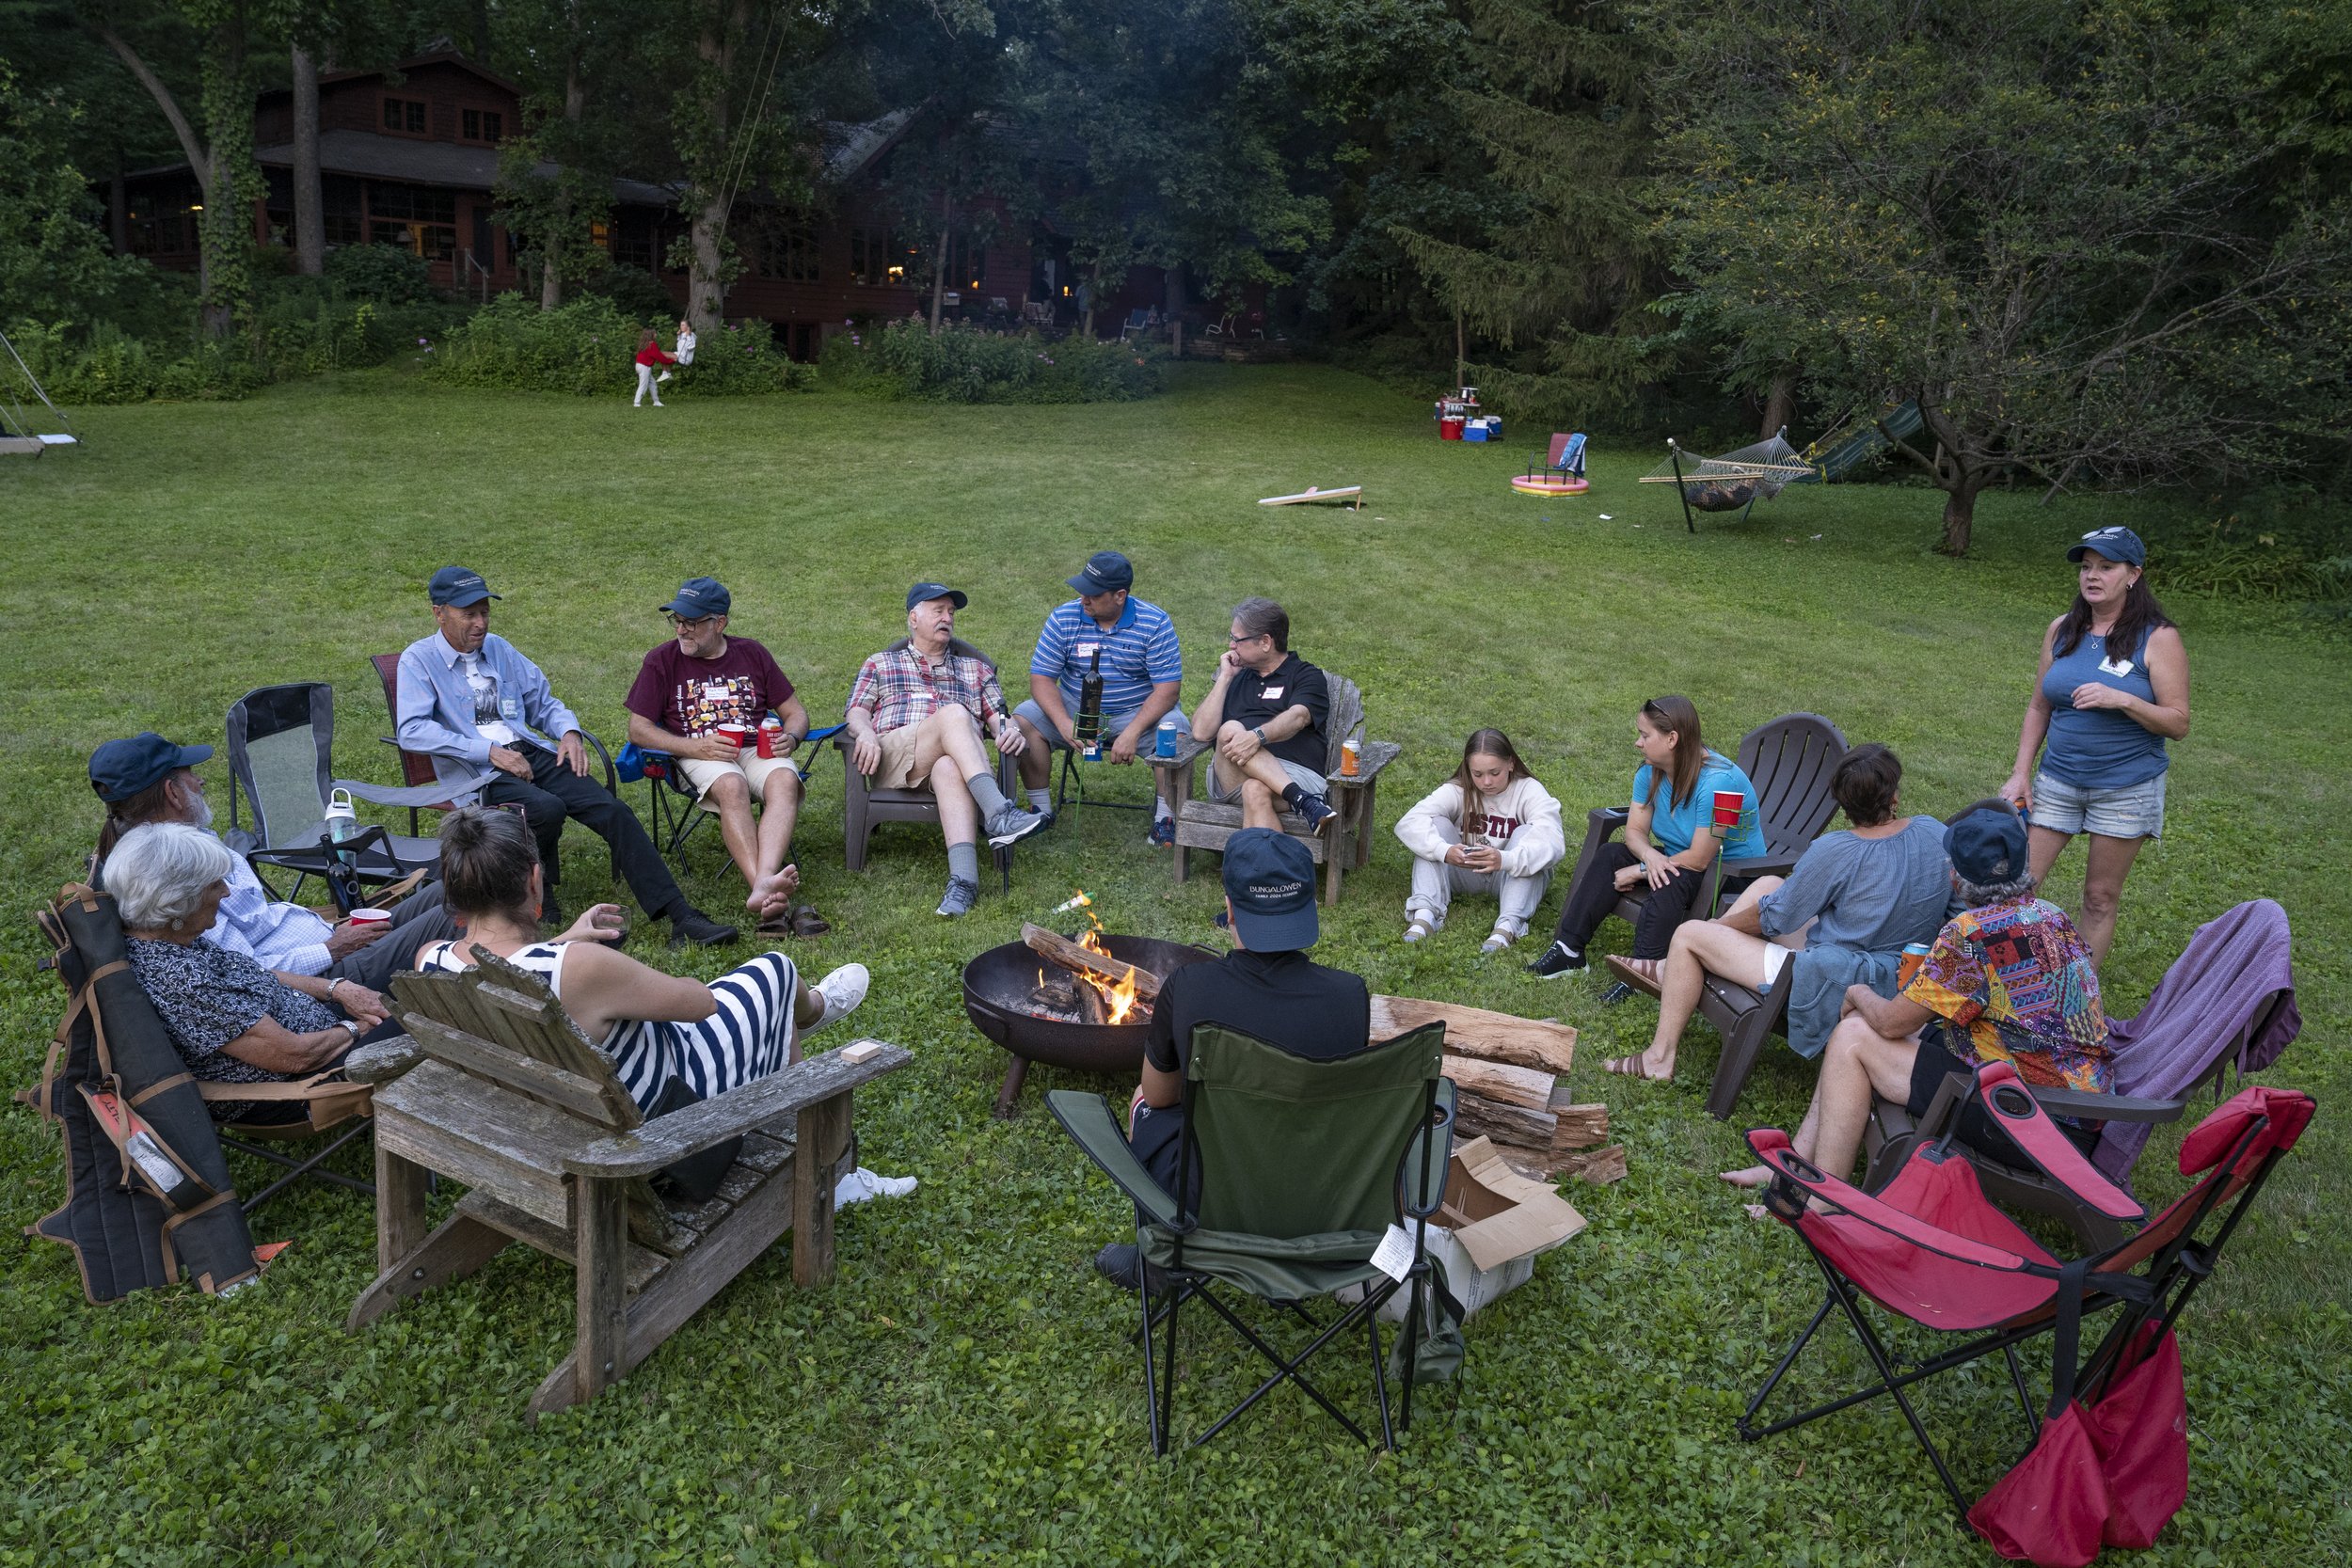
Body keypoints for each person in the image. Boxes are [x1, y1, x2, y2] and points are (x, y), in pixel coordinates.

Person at [1719, 802, 2112, 1194]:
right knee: (1856, 1028)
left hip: (2031, 1117)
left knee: (1853, 1039)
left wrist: (1856, 991)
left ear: (1956, 877)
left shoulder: (1970, 934)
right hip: (2066, 1102)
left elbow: (1893, 1023)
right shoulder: (2051, 914)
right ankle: (1799, 1168)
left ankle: (1821, 1197)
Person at [409, 807, 866, 1115]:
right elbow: (699, 1004)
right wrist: (591, 958)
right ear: (534, 879)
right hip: (658, 1113)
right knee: (775, 972)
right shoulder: (582, 969)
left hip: (541, 1116)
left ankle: (797, 1015)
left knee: (761, 990)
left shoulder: (430, 961)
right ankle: (823, 1156)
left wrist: (569, 939)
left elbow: (505, 966)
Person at [397, 565, 737, 945]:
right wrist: (490, 751)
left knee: (614, 811)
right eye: (469, 614)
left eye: (485, 612)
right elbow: (411, 730)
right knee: (545, 808)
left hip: (528, 751)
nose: (480, 623)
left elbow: (543, 701)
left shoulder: (499, 649)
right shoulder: (418, 660)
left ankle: (680, 916)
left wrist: (569, 732)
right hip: (477, 770)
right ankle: (541, 895)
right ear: (439, 612)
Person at [1093, 829, 1372, 1290]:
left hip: (1211, 1198)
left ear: (1229, 908)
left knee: (1144, 1100)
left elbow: (1160, 1097)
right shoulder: (1350, 995)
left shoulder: (1188, 988)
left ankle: (1164, 1263)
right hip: (1321, 1199)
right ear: (1307, 907)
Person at [1602, 743, 1951, 1081]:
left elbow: (1775, 918)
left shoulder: (1837, 849)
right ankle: (1671, 967)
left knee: (1691, 934)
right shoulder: (1935, 832)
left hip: (1834, 977)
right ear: (1894, 795)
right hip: (1905, 973)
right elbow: (1956, 908)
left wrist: (1717, 928)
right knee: (1769, 883)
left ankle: (1658, 1057)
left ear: (1843, 803)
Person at [88, 731, 461, 1000]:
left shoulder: (175, 848)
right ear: (172, 792)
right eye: (190, 773)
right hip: (327, 979)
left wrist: (335, 934)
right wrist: (333, 949)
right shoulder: (172, 876)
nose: (200, 780)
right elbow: (243, 972)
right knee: (459, 910)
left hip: (335, 941)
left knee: (455, 889)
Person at [106, 823, 389, 1124]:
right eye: (215, 884)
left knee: (411, 980)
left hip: (320, 1032)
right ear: (177, 902)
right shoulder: (182, 980)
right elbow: (295, 1055)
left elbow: (254, 972)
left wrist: (336, 989)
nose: (226, 892)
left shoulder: (169, 936)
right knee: (418, 1009)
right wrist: (360, 1027)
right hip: (297, 1083)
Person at [1999, 525, 2189, 969]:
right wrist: (2021, 771)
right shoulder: (2063, 629)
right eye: (2086, 567)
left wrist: (2123, 698)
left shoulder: (2159, 638)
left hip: (2125, 788)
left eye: (2106, 566)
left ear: (2133, 575)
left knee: (2100, 897)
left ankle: (2077, 995)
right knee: (2017, 886)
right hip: (2058, 779)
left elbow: (2178, 723)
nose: (2092, 576)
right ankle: (2004, 980)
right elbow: (2039, 705)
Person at [623, 576, 823, 937]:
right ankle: (761, 884)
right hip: (698, 751)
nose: (681, 630)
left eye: (692, 623)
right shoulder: (661, 661)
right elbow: (638, 729)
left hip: (754, 746)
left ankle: (764, 882)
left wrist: (791, 738)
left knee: (784, 780)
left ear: (720, 623)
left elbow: (796, 712)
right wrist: (693, 747)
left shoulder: (752, 653)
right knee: (732, 785)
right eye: (677, 621)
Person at [844, 582, 1046, 917]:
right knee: (955, 713)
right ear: (913, 618)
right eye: (938, 611)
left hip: (951, 764)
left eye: (950, 612)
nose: (947, 618)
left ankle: (963, 882)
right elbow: (856, 711)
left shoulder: (976, 670)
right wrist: (864, 733)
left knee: (950, 765)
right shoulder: (881, 663)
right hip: (895, 755)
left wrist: (1011, 733)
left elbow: (1001, 720)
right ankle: (998, 813)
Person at [1527, 695, 1765, 979]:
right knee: (1611, 855)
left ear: (1672, 739)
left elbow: (1700, 859)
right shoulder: (1650, 772)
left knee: (1667, 876)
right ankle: (1569, 951)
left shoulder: (1723, 785)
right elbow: (1635, 831)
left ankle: (1645, 973)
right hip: (1678, 858)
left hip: (1731, 874)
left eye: (1644, 735)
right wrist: (1650, 857)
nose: (1637, 743)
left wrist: (1641, 870)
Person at [1010, 550, 1184, 842]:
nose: (1083, 599)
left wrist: (1133, 731)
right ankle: (1040, 812)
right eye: (1082, 591)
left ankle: (1166, 818)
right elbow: (1041, 679)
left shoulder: (1154, 622)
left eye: (1093, 594)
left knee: (1175, 732)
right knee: (1024, 721)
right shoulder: (1064, 617)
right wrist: (1065, 724)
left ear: (1120, 596)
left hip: (1136, 710)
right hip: (1076, 707)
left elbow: (1167, 690)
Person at [1393, 729, 1565, 954]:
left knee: (1527, 833)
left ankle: (1508, 925)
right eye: (1478, 774)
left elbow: (1553, 841)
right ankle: (1425, 914)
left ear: (1511, 764)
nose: (1486, 782)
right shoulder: (1458, 789)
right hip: (1465, 869)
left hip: (1507, 877)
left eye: (1495, 773)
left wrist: (1506, 859)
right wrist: (1444, 850)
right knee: (1434, 826)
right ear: (1468, 769)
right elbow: (1408, 822)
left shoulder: (1528, 790)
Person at [1192, 596, 1336, 835]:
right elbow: (1200, 732)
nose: (1231, 646)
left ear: (1266, 642)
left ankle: (1268, 870)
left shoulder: (1306, 676)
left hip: (1299, 774)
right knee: (1228, 731)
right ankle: (1303, 801)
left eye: (1237, 640)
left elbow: (1299, 717)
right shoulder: (1237, 679)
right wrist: (1225, 678)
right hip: (1233, 778)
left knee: (1255, 789)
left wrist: (1257, 736)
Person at [633, 329, 675, 406]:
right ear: (651, 335)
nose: (656, 334)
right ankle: (637, 403)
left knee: (653, 384)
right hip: (644, 367)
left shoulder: (645, 344)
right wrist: (671, 361)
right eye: (655, 333)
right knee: (643, 385)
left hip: (640, 365)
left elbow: (657, 356)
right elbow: (659, 357)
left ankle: (656, 401)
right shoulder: (652, 344)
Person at [658, 318, 695, 385]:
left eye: (683, 325)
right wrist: (679, 336)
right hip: (679, 355)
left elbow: (691, 347)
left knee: (662, 355)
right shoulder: (682, 334)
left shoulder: (691, 335)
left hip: (685, 359)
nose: (681, 327)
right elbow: (681, 345)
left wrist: (688, 336)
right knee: (661, 353)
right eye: (681, 325)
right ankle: (668, 374)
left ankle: (665, 373)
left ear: (688, 327)